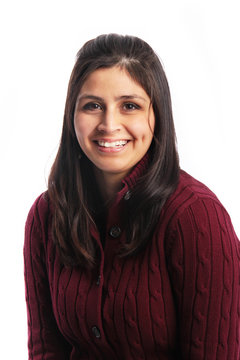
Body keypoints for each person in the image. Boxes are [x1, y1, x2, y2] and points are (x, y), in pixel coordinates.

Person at [24, 33, 240, 360]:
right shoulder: (47, 215)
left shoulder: (197, 218)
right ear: (72, 116)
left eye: (130, 106)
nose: (110, 125)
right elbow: (46, 349)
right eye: (93, 105)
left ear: (157, 116)